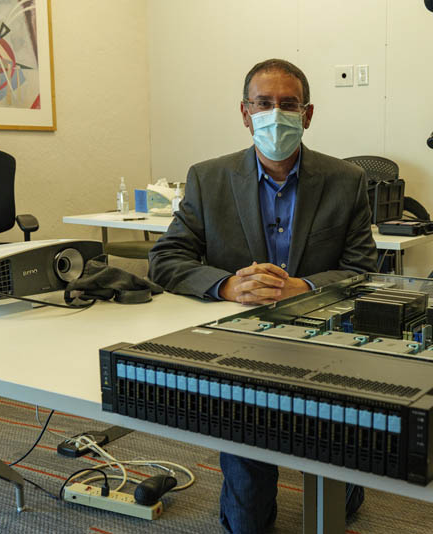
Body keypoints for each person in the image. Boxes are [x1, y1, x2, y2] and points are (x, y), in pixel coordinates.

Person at [148, 58, 377, 534]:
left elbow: (362, 271)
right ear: (245, 112)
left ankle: (344, 468)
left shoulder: (346, 180)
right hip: (240, 345)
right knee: (247, 522)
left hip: (322, 341)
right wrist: (227, 285)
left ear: (307, 114)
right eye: (263, 103)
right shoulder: (208, 178)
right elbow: (166, 259)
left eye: (288, 104)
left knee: (337, 504)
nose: (276, 114)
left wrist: (304, 288)